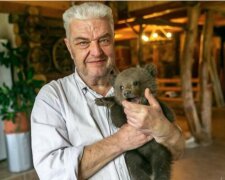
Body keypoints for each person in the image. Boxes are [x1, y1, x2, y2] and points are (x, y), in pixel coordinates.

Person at [31, 2, 185, 180]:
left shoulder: (138, 84)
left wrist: (161, 127)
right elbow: (51, 173)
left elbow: (179, 149)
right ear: (69, 47)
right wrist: (120, 141)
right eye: (83, 42)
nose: (96, 52)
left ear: (113, 40)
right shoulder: (52, 98)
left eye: (104, 40)